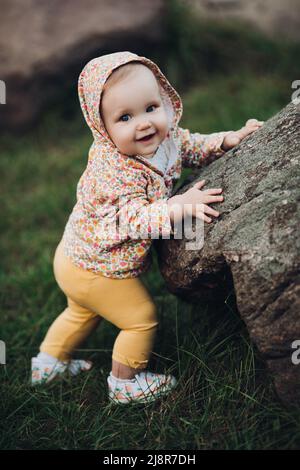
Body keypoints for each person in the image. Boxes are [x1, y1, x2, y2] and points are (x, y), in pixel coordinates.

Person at [31, 51, 263, 404]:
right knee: (140, 318)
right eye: (125, 117)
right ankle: (126, 382)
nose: (144, 123)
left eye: (151, 108)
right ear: (101, 126)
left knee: (81, 312)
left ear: (165, 102)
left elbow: (189, 146)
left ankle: (48, 365)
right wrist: (177, 207)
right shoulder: (114, 172)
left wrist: (225, 141)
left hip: (74, 258)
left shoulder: (163, 140)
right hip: (97, 268)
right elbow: (133, 218)